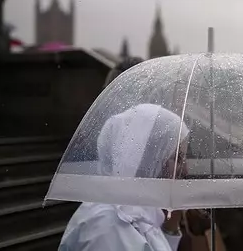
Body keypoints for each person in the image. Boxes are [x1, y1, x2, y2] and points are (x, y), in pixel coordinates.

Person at [59, 103, 190, 251]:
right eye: (177, 158)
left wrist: (170, 228)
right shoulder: (107, 227)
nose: (185, 170)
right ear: (147, 160)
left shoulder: (141, 210)